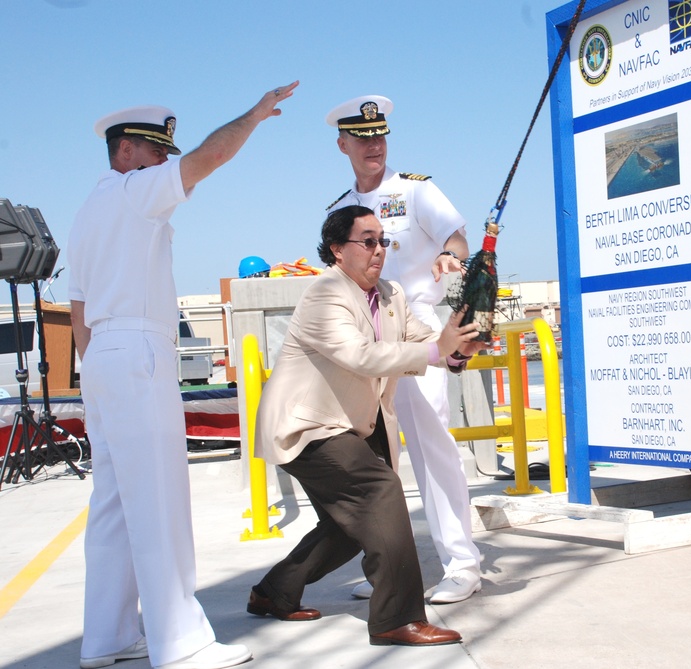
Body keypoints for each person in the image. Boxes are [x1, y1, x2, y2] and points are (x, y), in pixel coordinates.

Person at [67, 81, 298, 669]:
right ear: (126, 153)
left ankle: (108, 637)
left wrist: (97, 374)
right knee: (160, 504)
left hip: (99, 357)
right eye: (157, 153)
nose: (167, 165)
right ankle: (180, 642)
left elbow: (76, 310)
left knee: (115, 507)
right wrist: (253, 115)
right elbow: (209, 158)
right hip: (138, 352)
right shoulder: (132, 192)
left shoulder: (89, 209)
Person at [248, 205, 485, 645]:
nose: (379, 250)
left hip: (354, 423)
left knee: (348, 527)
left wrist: (457, 348)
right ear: (338, 250)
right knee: (379, 492)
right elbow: (359, 355)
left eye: (383, 241)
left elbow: (423, 342)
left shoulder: (392, 294)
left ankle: (273, 593)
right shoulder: (325, 294)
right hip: (308, 425)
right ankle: (397, 618)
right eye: (368, 241)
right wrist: (437, 353)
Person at [325, 95, 482, 604]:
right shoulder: (339, 212)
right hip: (365, 339)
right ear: (342, 144)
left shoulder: (415, 191)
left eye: (380, 136)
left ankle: (462, 563)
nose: (374, 146)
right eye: (362, 138)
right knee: (375, 458)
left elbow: (457, 238)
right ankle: (386, 569)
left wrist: (445, 256)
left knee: (432, 444)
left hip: (415, 327)